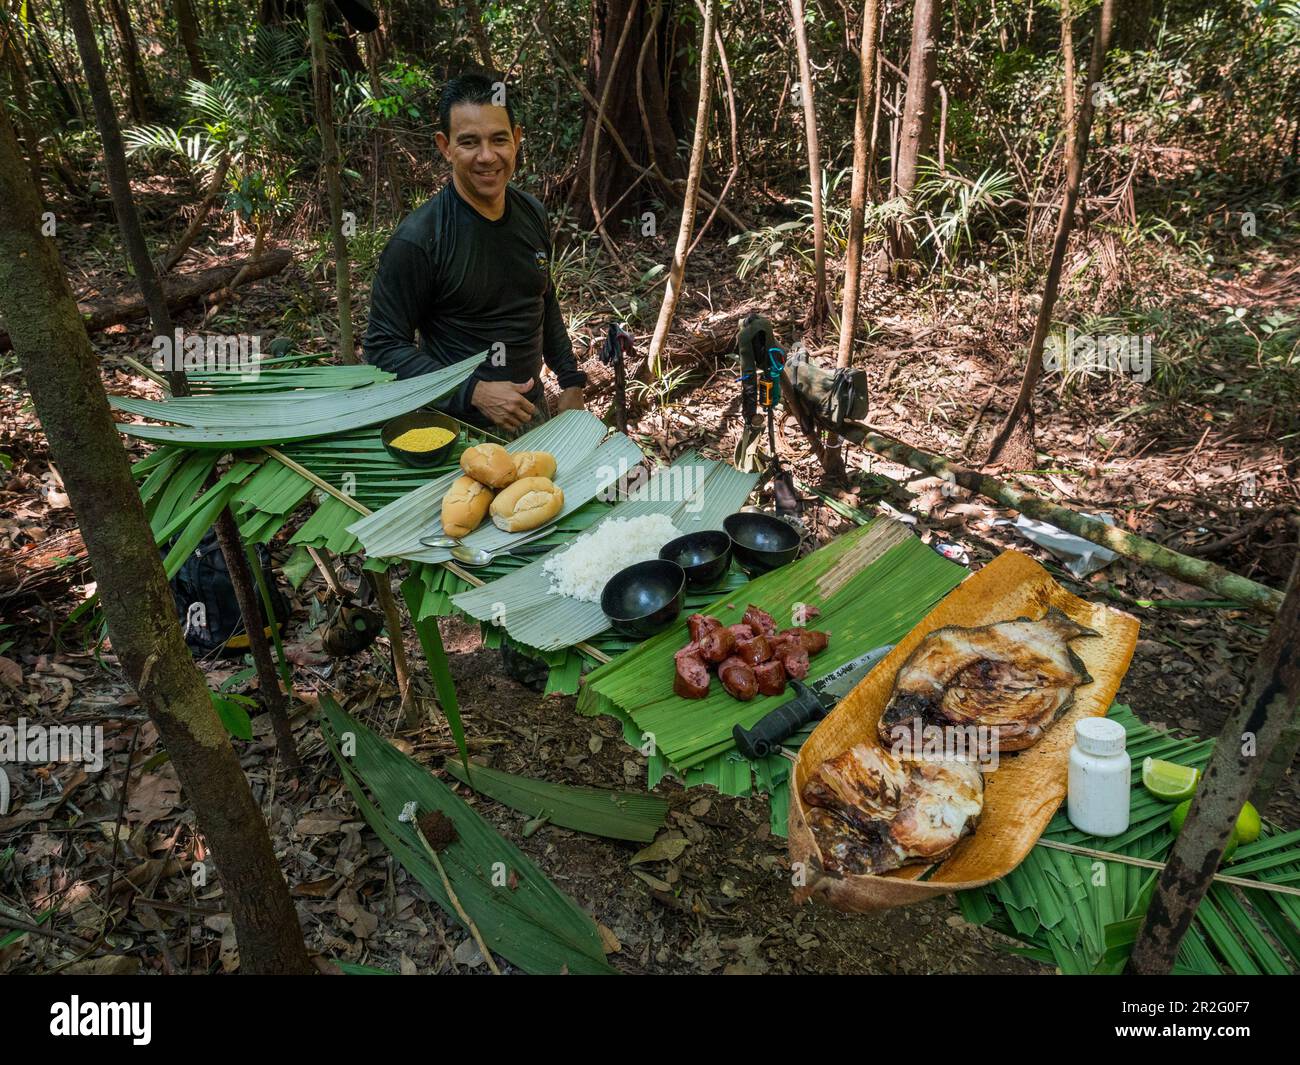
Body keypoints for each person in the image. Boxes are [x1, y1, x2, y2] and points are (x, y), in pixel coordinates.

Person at [364, 73, 587, 436]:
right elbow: (382, 347)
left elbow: (543, 300)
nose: (487, 156)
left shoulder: (533, 213)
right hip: (454, 430)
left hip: (532, 417)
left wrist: (571, 379)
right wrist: (474, 392)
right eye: (469, 142)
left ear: (516, 139)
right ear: (445, 147)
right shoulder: (419, 240)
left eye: (499, 139)